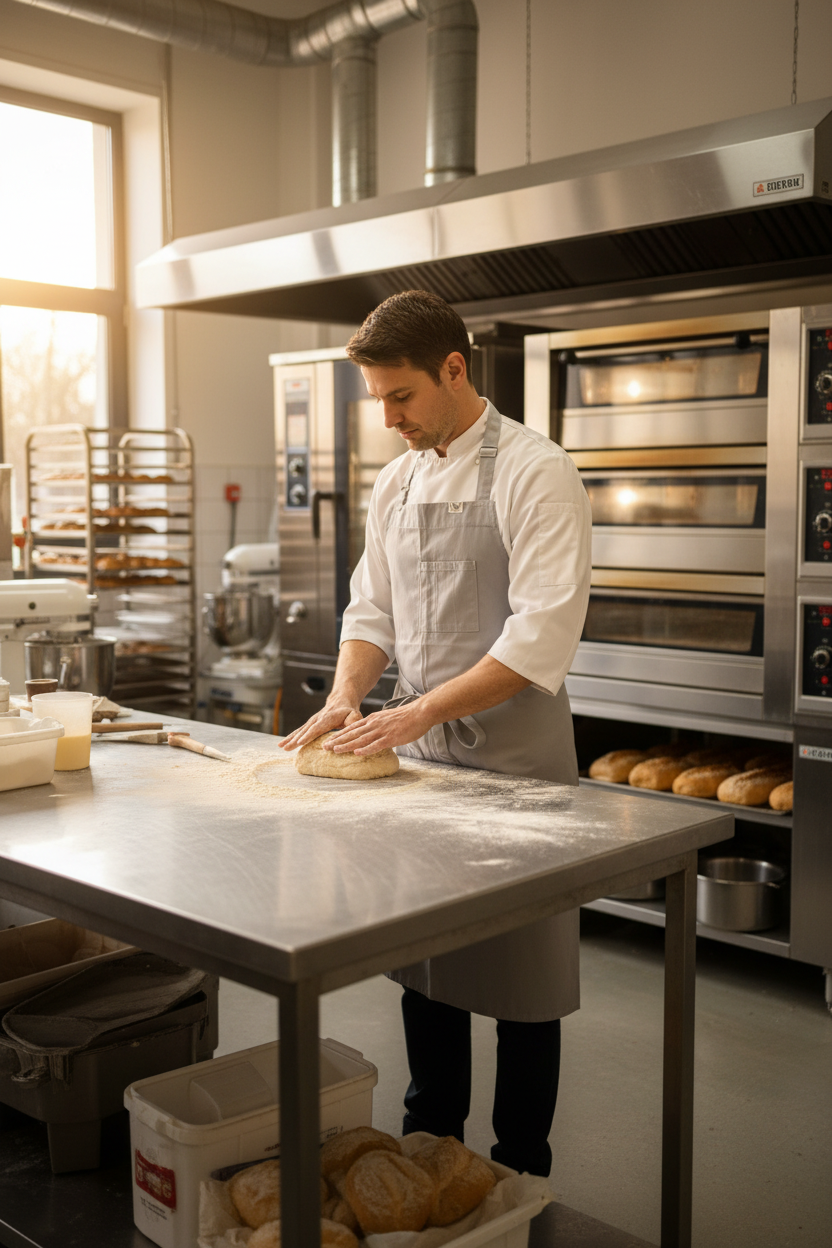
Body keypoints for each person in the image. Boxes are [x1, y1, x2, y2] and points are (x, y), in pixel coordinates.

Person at [281, 289, 592, 1177]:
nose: (389, 420)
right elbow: (371, 608)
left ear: (455, 369)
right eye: (378, 400)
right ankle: (430, 1147)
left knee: (525, 987)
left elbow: (540, 637)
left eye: (401, 397)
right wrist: (349, 698)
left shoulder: (537, 472)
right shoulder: (399, 480)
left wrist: (416, 710)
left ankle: (520, 1171)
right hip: (419, 763)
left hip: (521, 768)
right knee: (427, 970)